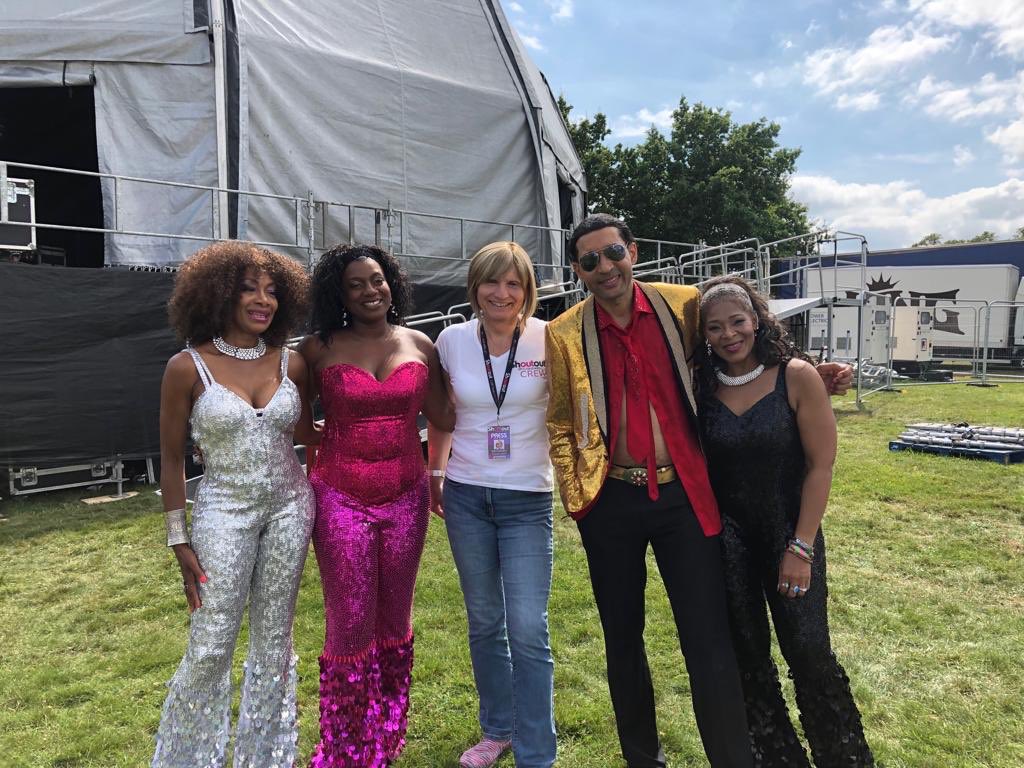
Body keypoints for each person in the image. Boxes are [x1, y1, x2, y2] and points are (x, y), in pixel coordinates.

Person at [545, 213, 852, 768]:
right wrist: (579, 499)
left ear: (632, 252)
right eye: (589, 260)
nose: (604, 267)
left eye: (612, 252)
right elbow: (562, 422)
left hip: (685, 496)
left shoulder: (681, 304)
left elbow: (738, 345)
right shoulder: (563, 331)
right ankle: (644, 758)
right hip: (610, 500)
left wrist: (804, 371)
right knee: (622, 640)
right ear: (577, 270)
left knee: (709, 639)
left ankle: (732, 759)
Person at [697, 275, 874, 767]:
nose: (729, 334)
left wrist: (801, 547)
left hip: (789, 534)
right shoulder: (700, 385)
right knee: (748, 662)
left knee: (810, 651)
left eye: (737, 321)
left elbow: (821, 466)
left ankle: (844, 759)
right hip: (727, 542)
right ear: (705, 335)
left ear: (756, 320)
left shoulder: (796, 376)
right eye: (715, 327)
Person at [153, 241, 318, 767]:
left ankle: (267, 758)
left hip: (292, 508)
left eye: (271, 291)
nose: (262, 300)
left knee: (275, 640)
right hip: (223, 511)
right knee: (211, 643)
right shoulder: (188, 367)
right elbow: (172, 458)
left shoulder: (291, 362)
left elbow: (311, 433)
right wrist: (178, 537)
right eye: (248, 288)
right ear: (219, 294)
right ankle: (186, 760)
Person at [299, 243, 452, 768]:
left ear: (393, 283)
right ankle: (345, 748)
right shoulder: (317, 348)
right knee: (350, 618)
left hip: (406, 496)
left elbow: (444, 416)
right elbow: (291, 417)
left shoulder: (420, 344)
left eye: (378, 279)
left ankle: (386, 735)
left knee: (395, 615)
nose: (370, 291)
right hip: (340, 496)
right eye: (356, 284)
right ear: (338, 295)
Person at [427, 242, 557, 768]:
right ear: (474, 287)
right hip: (467, 494)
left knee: (528, 627)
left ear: (527, 290)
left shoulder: (551, 338)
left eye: (514, 283)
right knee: (484, 620)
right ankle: (497, 729)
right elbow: (442, 413)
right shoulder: (452, 340)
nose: (502, 293)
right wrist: (436, 471)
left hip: (527, 496)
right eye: (491, 282)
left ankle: (536, 752)